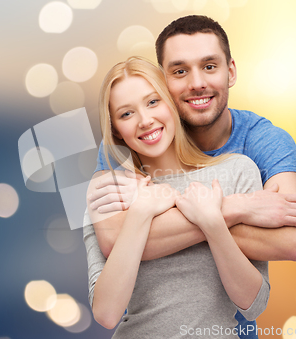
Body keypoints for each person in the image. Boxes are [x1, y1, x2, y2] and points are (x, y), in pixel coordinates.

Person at [86, 15, 296, 338]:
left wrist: (199, 218)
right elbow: (109, 240)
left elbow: (293, 240)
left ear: (230, 71)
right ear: (163, 80)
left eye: (209, 66)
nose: (196, 83)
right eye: (180, 71)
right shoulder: (117, 155)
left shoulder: (254, 151)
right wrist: (235, 209)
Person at [84, 56, 269, 338]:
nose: (145, 121)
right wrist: (141, 211)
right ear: (115, 131)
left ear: (171, 103)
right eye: (126, 114)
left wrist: (213, 222)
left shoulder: (237, 171)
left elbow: (253, 305)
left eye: (153, 102)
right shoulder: (108, 193)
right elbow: (107, 314)